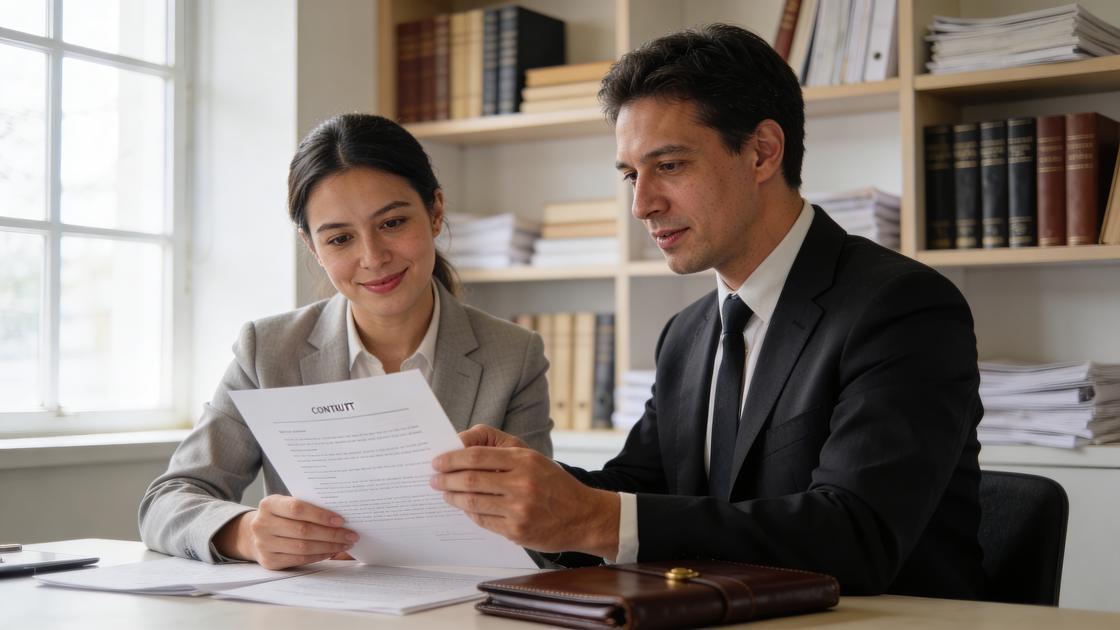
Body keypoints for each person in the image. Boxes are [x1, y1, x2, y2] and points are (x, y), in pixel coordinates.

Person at [431, 24, 986, 599]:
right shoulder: (688, 333)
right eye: (630, 174)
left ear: (762, 152)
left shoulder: (902, 308)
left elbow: (856, 537)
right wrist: (527, 488)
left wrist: (590, 517)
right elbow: (643, 488)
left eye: (669, 165)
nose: (641, 204)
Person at [140, 113, 552, 570]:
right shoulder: (268, 349)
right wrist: (246, 535)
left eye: (393, 223)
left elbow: (540, 526)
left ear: (435, 211)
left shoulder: (514, 355)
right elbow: (167, 501)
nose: (373, 258)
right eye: (339, 238)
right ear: (312, 247)